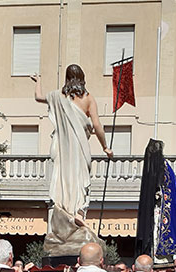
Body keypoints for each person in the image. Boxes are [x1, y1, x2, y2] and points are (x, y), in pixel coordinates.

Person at [32, 65, 113, 256]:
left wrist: (38, 82)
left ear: (67, 78)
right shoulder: (87, 98)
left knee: (63, 178)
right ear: (82, 78)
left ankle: (67, 211)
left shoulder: (57, 96)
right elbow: (97, 125)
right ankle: (78, 212)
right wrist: (105, 147)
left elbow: (38, 97)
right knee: (80, 179)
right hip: (80, 149)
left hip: (63, 149)